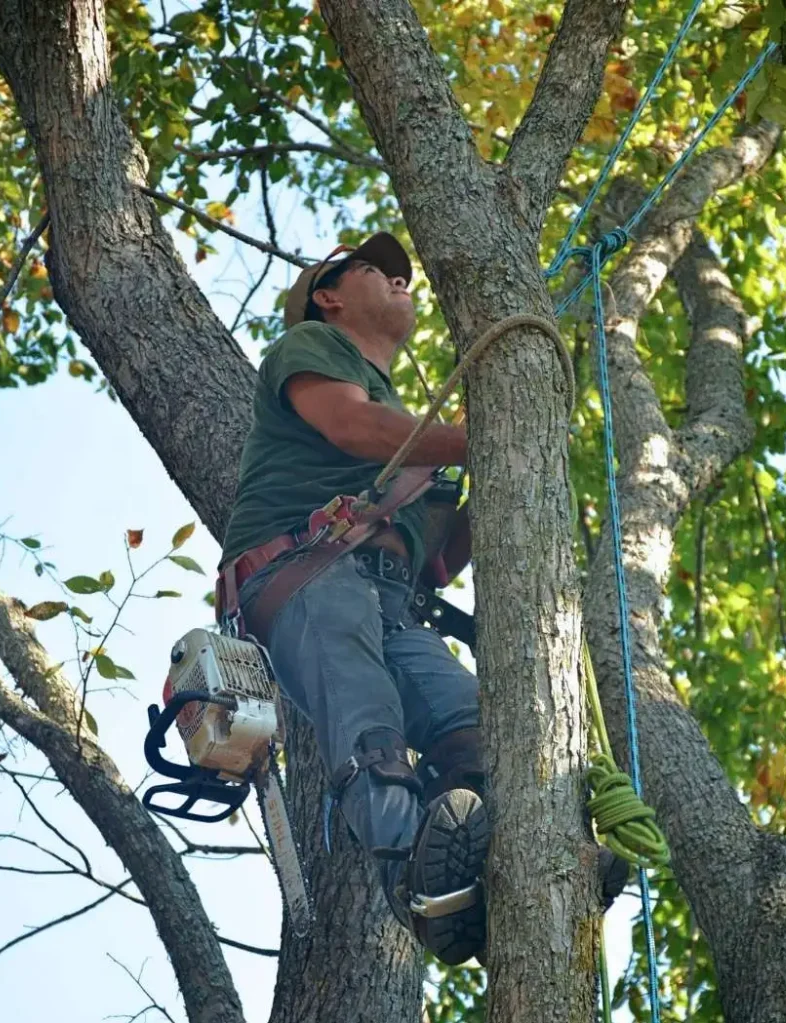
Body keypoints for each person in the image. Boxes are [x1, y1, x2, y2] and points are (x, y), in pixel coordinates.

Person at [218, 232, 625, 966]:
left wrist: (515, 467)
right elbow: (354, 427)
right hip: (305, 574)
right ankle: (412, 877)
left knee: (477, 725)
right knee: (367, 713)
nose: (402, 279)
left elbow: (437, 558)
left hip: (389, 598)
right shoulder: (310, 346)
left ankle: (516, 862)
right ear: (328, 294)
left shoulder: (404, 409)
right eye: (379, 270)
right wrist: (483, 436)